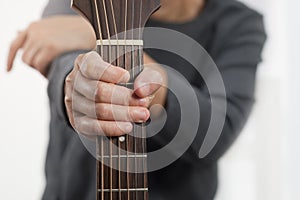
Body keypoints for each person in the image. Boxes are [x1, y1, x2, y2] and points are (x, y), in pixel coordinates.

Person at [7, 0, 266, 199]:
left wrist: (100, 37)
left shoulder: (239, 23)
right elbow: (66, 68)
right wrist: (79, 86)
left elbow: (218, 128)